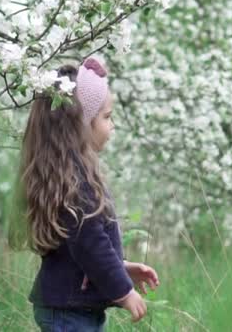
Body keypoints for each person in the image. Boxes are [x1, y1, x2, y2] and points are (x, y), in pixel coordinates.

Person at [15, 57, 159, 331]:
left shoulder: (71, 176)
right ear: (79, 125)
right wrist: (124, 291)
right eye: (106, 117)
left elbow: (83, 250)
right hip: (69, 313)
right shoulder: (76, 182)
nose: (112, 126)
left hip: (70, 309)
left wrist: (122, 267)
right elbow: (90, 245)